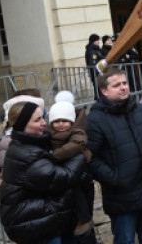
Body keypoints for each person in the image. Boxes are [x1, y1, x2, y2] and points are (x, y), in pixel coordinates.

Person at [87, 70, 142, 244]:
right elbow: (91, 158)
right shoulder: (95, 119)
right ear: (104, 91)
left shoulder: (140, 109)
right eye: (116, 85)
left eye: (125, 83)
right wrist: (115, 179)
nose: (123, 88)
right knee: (125, 239)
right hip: (122, 197)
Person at [0, 102, 88, 244]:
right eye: (37, 120)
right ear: (22, 125)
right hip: (34, 225)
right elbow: (65, 177)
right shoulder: (25, 154)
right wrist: (80, 152)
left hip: (44, 219)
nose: (43, 123)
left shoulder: (31, 144)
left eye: (43, 117)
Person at [47, 99, 96, 244]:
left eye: (65, 120)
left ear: (72, 122)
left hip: (81, 185)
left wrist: (52, 156)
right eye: (57, 121)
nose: (61, 124)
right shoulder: (48, 137)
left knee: (84, 230)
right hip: (62, 192)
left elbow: (74, 147)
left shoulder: (78, 133)